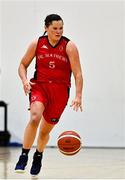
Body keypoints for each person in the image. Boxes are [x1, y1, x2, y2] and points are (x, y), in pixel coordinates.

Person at [15, 14, 83, 177]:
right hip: (40, 87)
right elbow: (22, 65)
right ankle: (24, 155)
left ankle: (38, 154)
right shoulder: (37, 43)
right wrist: (24, 80)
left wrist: (78, 96)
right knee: (34, 117)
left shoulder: (69, 46)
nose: (58, 31)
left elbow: (78, 74)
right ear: (46, 28)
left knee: (44, 131)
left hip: (60, 93)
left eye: (61, 28)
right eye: (55, 28)